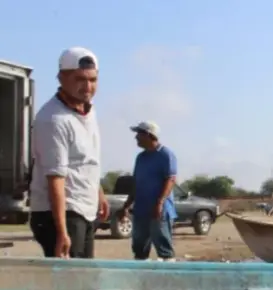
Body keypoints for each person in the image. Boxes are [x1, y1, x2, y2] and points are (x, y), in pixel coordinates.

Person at [29, 47, 108, 259]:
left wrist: (98, 193)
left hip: (83, 210)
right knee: (68, 284)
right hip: (60, 214)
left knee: (84, 279)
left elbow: (85, 160)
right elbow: (55, 178)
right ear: (61, 78)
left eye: (93, 80)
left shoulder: (88, 111)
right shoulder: (54, 119)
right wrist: (62, 233)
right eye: (80, 79)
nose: (88, 87)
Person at [119, 121, 178, 261]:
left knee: (164, 249)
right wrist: (127, 205)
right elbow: (136, 183)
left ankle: (167, 278)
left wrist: (160, 203)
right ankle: (141, 278)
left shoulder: (166, 154)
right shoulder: (141, 158)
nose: (136, 138)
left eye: (138, 134)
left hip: (159, 211)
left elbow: (170, 179)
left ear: (148, 135)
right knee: (139, 249)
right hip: (141, 210)